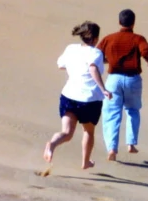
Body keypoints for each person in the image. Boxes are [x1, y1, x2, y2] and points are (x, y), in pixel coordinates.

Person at [44, 21, 112, 170]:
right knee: (88, 131)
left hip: (69, 95)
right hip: (89, 99)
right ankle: (85, 161)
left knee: (66, 133)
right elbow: (93, 68)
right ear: (95, 38)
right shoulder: (96, 53)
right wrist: (104, 89)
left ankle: (52, 144)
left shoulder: (71, 48)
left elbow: (60, 65)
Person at [97, 9, 148, 161]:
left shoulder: (109, 38)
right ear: (133, 23)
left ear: (119, 22)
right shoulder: (138, 39)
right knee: (133, 110)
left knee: (111, 114)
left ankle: (112, 148)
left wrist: (110, 59)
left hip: (114, 79)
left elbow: (97, 55)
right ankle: (130, 143)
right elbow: (147, 53)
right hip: (133, 79)